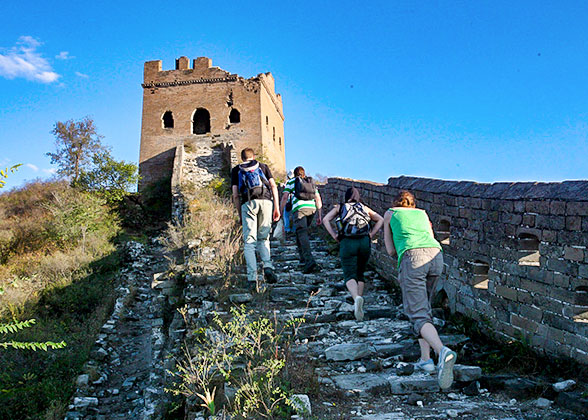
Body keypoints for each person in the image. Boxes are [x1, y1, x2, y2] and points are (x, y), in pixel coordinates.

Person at [383, 190, 457, 390]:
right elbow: (430, 236)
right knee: (424, 309)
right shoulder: (422, 213)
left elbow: (390, 250)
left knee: (417, 313)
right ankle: (426, 359)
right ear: (413, 203)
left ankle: (442, 352)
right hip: (436, 257)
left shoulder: (390, 213)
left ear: (395, 201)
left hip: (413, 258)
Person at [322, 187, 384, 321]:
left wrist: (334, 235)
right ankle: (358, 304)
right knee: (360, 273)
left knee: (349, 273)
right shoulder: (364, 207)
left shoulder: (341, 207)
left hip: (347, 242)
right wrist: (371, 234)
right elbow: (380, 219)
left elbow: (325, 219)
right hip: (364, 242)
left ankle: (356, 298)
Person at [231, 148, 280, 286]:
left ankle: (252, 278)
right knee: (264, 238)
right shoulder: (263, 166)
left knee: (249, 242)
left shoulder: (236, 170)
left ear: (242, 158)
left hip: (248, 203)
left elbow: (235, 194)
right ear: (253, 156)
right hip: (266, 201)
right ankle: (268, 266)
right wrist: (276, 207)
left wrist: (240, 213)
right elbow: (273, 186)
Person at [280, 166, 322, 274]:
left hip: (299, 209)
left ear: (294, 174)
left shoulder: (291, 182)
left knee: (302, 233)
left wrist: (279, 212)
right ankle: (303, 258)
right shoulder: (310, 181)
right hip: (311, 209)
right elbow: (318, 198)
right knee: (300, 232)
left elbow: (285, 197)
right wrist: (319, 215)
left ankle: (310, 261)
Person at [282, 170, 295, 236]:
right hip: (295, 202)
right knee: (294, 216)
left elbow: (285, 195)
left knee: (286, 216)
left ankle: (287, 229)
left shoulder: (288, 182)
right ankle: (294, 229)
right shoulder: (298, 182)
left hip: (288, 202)